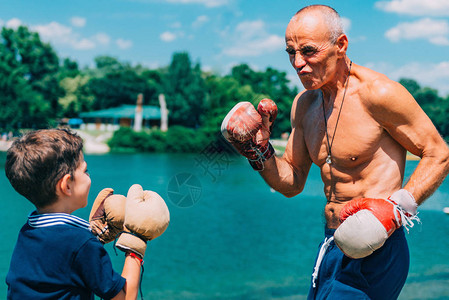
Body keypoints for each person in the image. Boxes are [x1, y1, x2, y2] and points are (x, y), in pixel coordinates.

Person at [221, 4, 449, 300]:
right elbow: (292, 182)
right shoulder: (304, 104)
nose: (298, 63)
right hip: (331, 244)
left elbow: (438, 153)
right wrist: (259, 151)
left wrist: (398, 208)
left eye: (308, 51)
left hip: (377, 250)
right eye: (291, 52)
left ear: (340, 45)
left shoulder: (378, 94)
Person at [5, 128, 170, 300]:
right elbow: (124, 297)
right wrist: (137, 239)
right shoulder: (80, 243)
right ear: (67, 185)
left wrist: (95, 238)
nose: (89, 176)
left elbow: (61, 264)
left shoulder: (28, 231)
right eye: (85, 170)